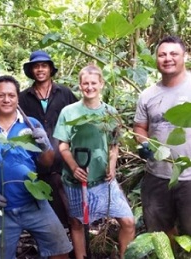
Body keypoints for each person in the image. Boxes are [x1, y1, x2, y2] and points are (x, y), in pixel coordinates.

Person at [0, 75, 72, 259]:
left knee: (60, 249)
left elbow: (47, 162)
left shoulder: (30, 124)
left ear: (17, 98)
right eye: (1, 95)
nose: (6, 99)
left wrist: (44, 145)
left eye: (11, 95)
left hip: (33, 202)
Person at [53, 64, 135, 259]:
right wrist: (73, 167)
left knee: (128, 222)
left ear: (101, 84)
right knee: (76, 223)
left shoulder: (110, 112)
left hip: (103, 180)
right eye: (85, 83)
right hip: (76, 180)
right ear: (80, 85)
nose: (89, 87)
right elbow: (62, 145)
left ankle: (124, 255)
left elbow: (114, 144)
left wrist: (112, 166)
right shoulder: (69, 112)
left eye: (93, 83)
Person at [133, 36, 191, 243]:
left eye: (173, 53)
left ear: (185, 56)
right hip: (157, 176)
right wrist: (143, 143)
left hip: (189, 178)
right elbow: (140, 127)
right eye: (162, 54)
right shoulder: (148, 95)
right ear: (156, 59)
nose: (168, 58)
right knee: (159, 235)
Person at [19, 50, 78, 227]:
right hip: (39, 165)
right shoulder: (23, 98)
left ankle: (79, 251)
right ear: (31, 71)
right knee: (49, 216)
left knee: (74, 213)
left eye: (44, 66)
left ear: (50, 69)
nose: (40, 70)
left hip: (65, 163)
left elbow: (78, 120)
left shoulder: (65, 93)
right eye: (36, 66)